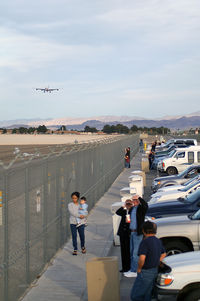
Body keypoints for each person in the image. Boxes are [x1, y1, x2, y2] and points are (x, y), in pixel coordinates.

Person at [130, 221, 166, 301]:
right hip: (154, 270)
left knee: (136, 295)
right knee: (147, 294)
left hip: (145, 271)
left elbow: (142, 258)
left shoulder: (145, 242)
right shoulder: (158, 241)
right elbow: (163, 254)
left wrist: (139, 268)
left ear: (143, 230)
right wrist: (156, 261)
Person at [124, 195, 148, 277]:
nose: (134, 201)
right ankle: (132, 269)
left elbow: (145, 206)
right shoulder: (132, 209)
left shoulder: (140, 209)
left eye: (135, 200)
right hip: (132, 232)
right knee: (131, 251)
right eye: (133, 200)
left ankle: (135, 271)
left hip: (137, 233)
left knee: (135, 252)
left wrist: (139, 198)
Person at [116, 199, 132, 273]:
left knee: (129, 251)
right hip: (122, 233)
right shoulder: (124, 211)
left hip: (129, 233)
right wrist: (123, 206)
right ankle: (124, 267)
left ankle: (130, 266)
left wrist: (132, 206)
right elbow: (117, 212)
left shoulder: (132, 211)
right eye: (127, 204)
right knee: (123, 251)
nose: (128, 205)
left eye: (129, 204)